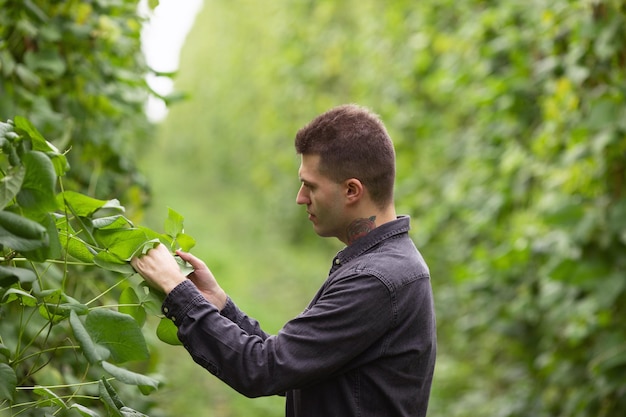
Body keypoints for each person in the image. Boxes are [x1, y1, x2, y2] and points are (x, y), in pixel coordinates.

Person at [131, 104, 437, 417]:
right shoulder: (386, 266)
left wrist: (176, 289)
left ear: (351, 190)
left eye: (310, 185)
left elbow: (264, 369)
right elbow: (293, 364)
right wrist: (218, 304)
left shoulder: (377, 281)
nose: (300, 198)